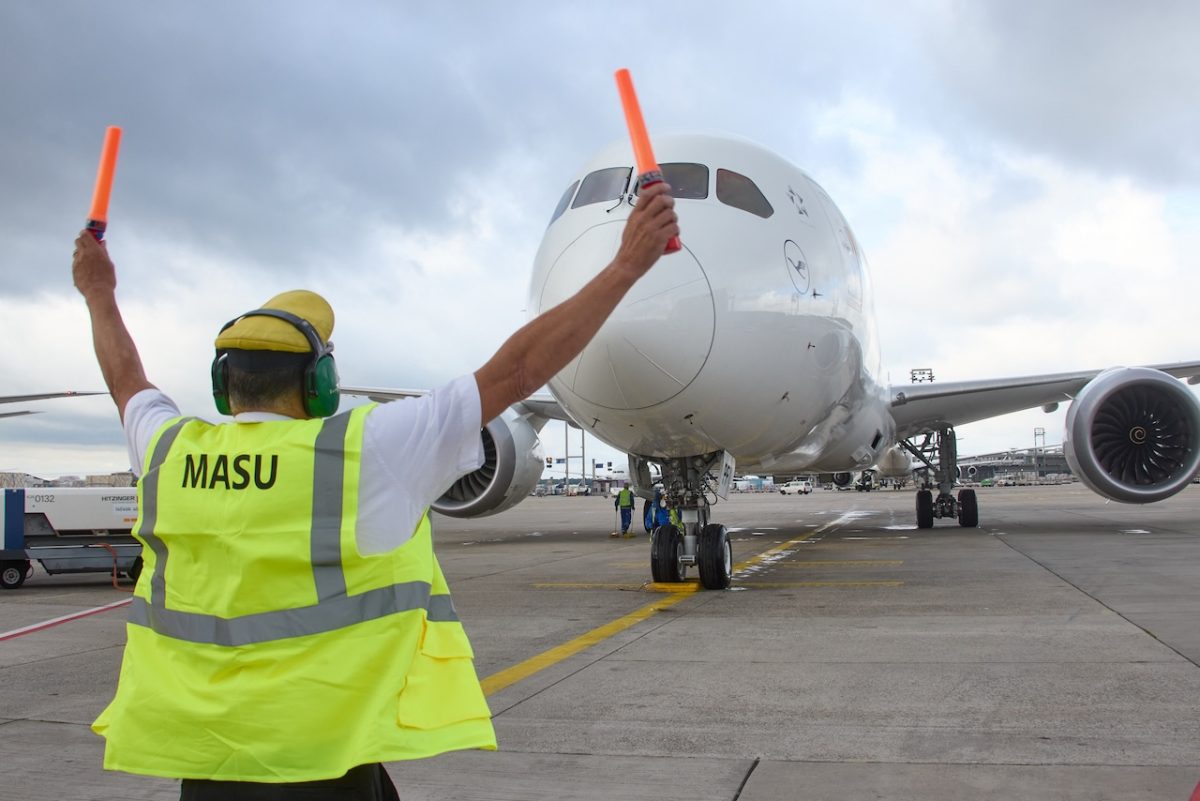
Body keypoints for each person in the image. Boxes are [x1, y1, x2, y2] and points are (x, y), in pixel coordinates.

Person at [72, 182, 678, 800]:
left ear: (225, 387)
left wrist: (98, 292)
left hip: (209, 769)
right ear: (321, 383)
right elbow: (518, 371)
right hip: (329, 767)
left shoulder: (167, 451)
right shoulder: (365, 453)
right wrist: (628, 264)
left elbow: (125, 380)